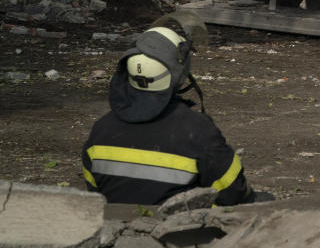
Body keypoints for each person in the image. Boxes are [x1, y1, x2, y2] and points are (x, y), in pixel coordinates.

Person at [82, 15, 255, 206]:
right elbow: (235, 193)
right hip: (180, 231)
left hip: (115, 229)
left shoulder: (101, 130)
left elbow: (94, 192)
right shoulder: (197, 130)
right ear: (178, 75)